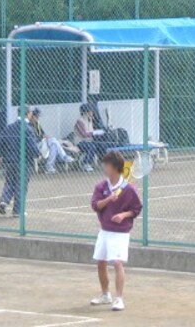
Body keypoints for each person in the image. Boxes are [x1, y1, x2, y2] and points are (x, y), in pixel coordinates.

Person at [89, 151, 142, 312]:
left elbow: (136, 208)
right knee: (101, 262)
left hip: (120, 232)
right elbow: (95, 206)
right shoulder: (101, 186)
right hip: (104, 230)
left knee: (117, 263)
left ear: (115, 167)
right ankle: (106, 294)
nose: (104, 167)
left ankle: (119, 299)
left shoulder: (129, 189)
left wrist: (123, 215)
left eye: (107, 165)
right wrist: (108, 199)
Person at [0, 107, 40, 217]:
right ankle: (17, 210)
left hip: (10, 160)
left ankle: (4, 200)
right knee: (21, 185)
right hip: (23, 162)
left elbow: (0, 143)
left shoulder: (9, 127)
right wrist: (38, 154)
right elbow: (31, 145)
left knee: (10, 182)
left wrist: (0, 155)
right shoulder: (28, 129)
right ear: (28, 114)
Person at [30, 108, 75, 173]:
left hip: (42, 144)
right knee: (53, 140)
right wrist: (43, 137)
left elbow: (43, 133)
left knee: (54, 146)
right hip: (36, 145)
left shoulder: (37, 124)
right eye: (37, 116)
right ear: (33, 116)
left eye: (38, 116)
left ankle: (49, 167)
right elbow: (34, 138)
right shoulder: (29, 125)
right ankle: (64, 156)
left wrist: (45, 136)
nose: (38, 118)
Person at [75, 103, 107, 172]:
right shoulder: (79, 121)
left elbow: (91, 132)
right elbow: (84, 134)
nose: (92, 112)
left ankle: (103, 162)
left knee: (102, 145)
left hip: (89, 141)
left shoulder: (90, 120)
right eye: (90, 111)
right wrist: (94, 133)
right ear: (85, 112)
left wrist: (99, 132)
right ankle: (86, 164)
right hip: (80, 142)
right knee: (92, 146)